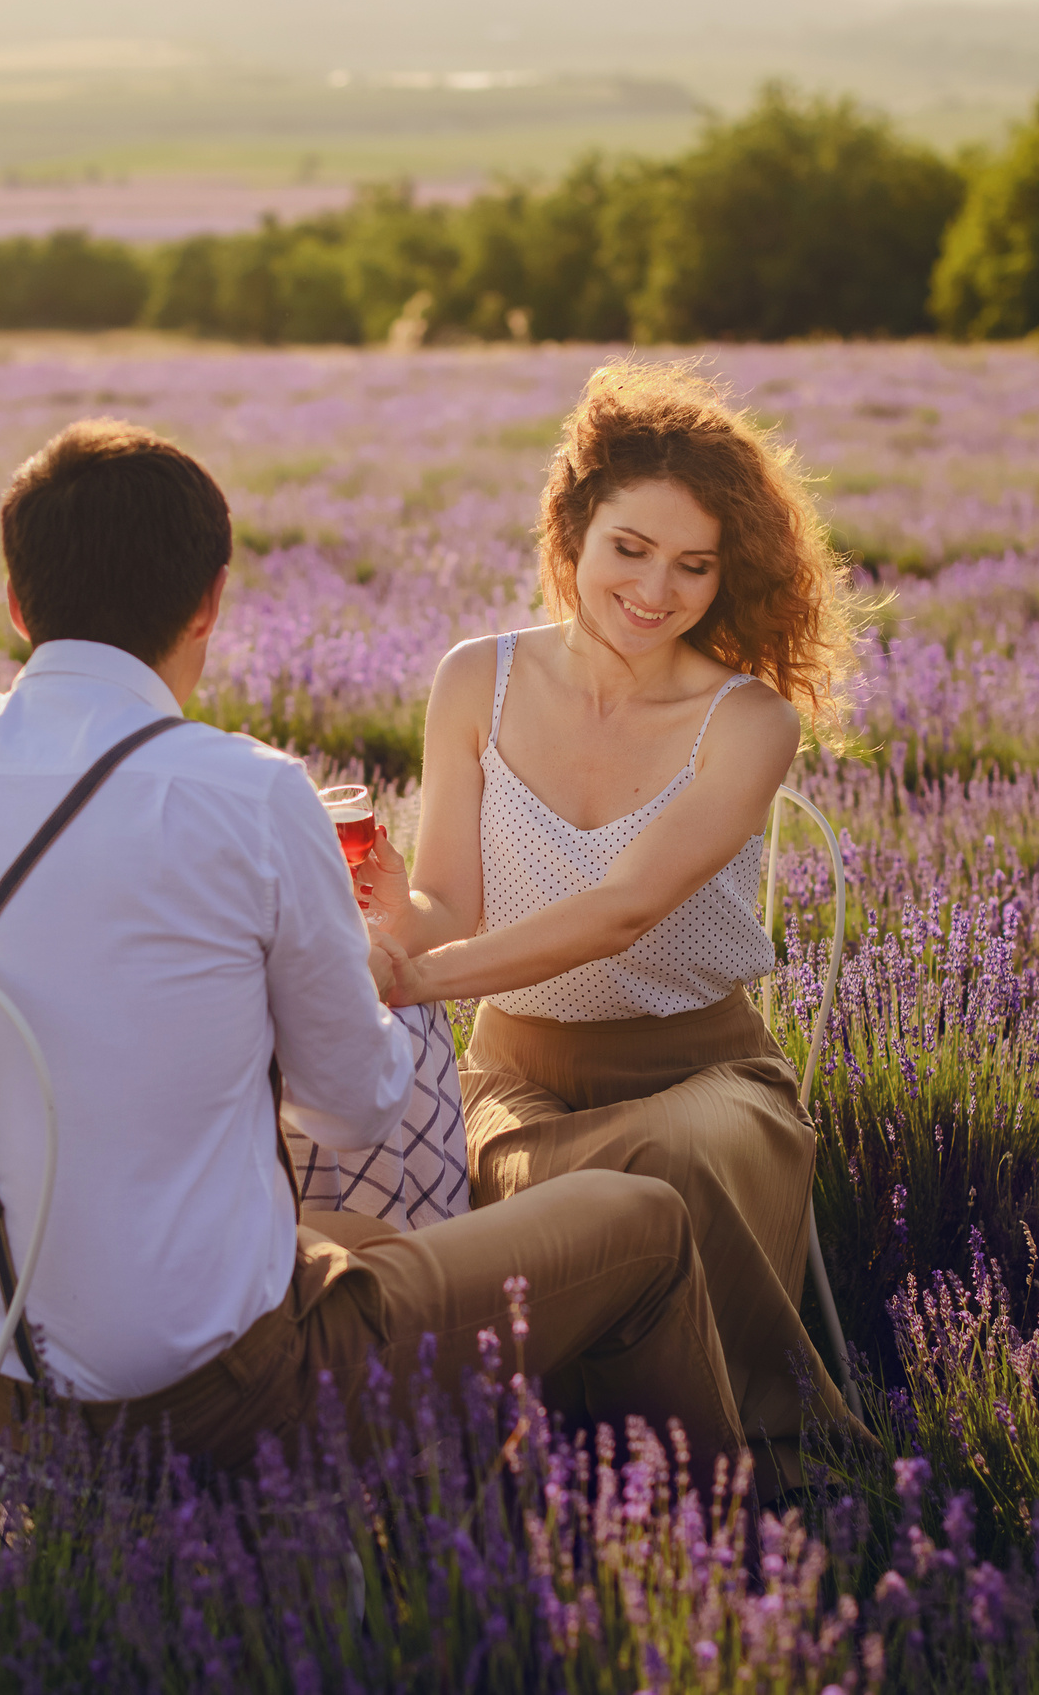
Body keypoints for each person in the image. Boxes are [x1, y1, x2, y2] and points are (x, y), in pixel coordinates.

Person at [0, 418, 746, 1473]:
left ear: (15, 602)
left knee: (369, 1248)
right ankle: (715, 1541)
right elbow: (358, 1105)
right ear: (210, 603)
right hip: (215, 1396)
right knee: (639, 1216)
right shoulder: (247, 789)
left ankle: (459, 1505)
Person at [358, 362, 869, 1491]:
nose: (655, 589)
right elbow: (451, 901)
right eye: (630, 548)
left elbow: (623, 909)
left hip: (707, 1072)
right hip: (521, 1083)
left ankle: (728, 1465)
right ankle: (655, 1469)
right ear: (572, 527)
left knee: (674, 1153)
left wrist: (422, 975)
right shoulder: (472, 681)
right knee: (575, 1183)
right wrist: (403, 923)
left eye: (694, 565)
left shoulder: (746, 721)